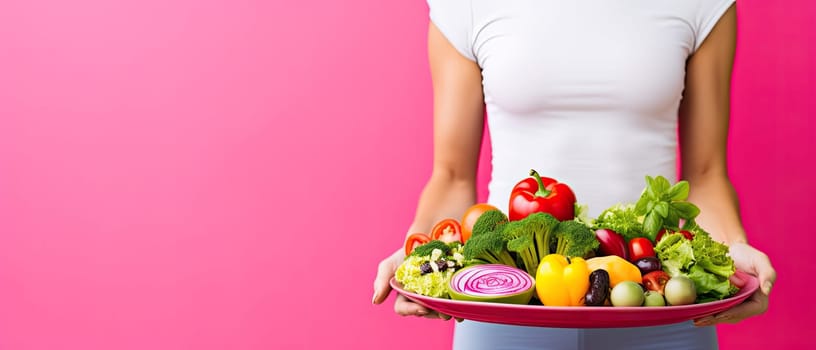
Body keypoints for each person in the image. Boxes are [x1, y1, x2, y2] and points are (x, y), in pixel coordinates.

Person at [372, 0, 776, 348]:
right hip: (506, 314)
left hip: (659, 313)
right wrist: (418, 257)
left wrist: (731, 251)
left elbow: (705, 174)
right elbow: (452, 174)